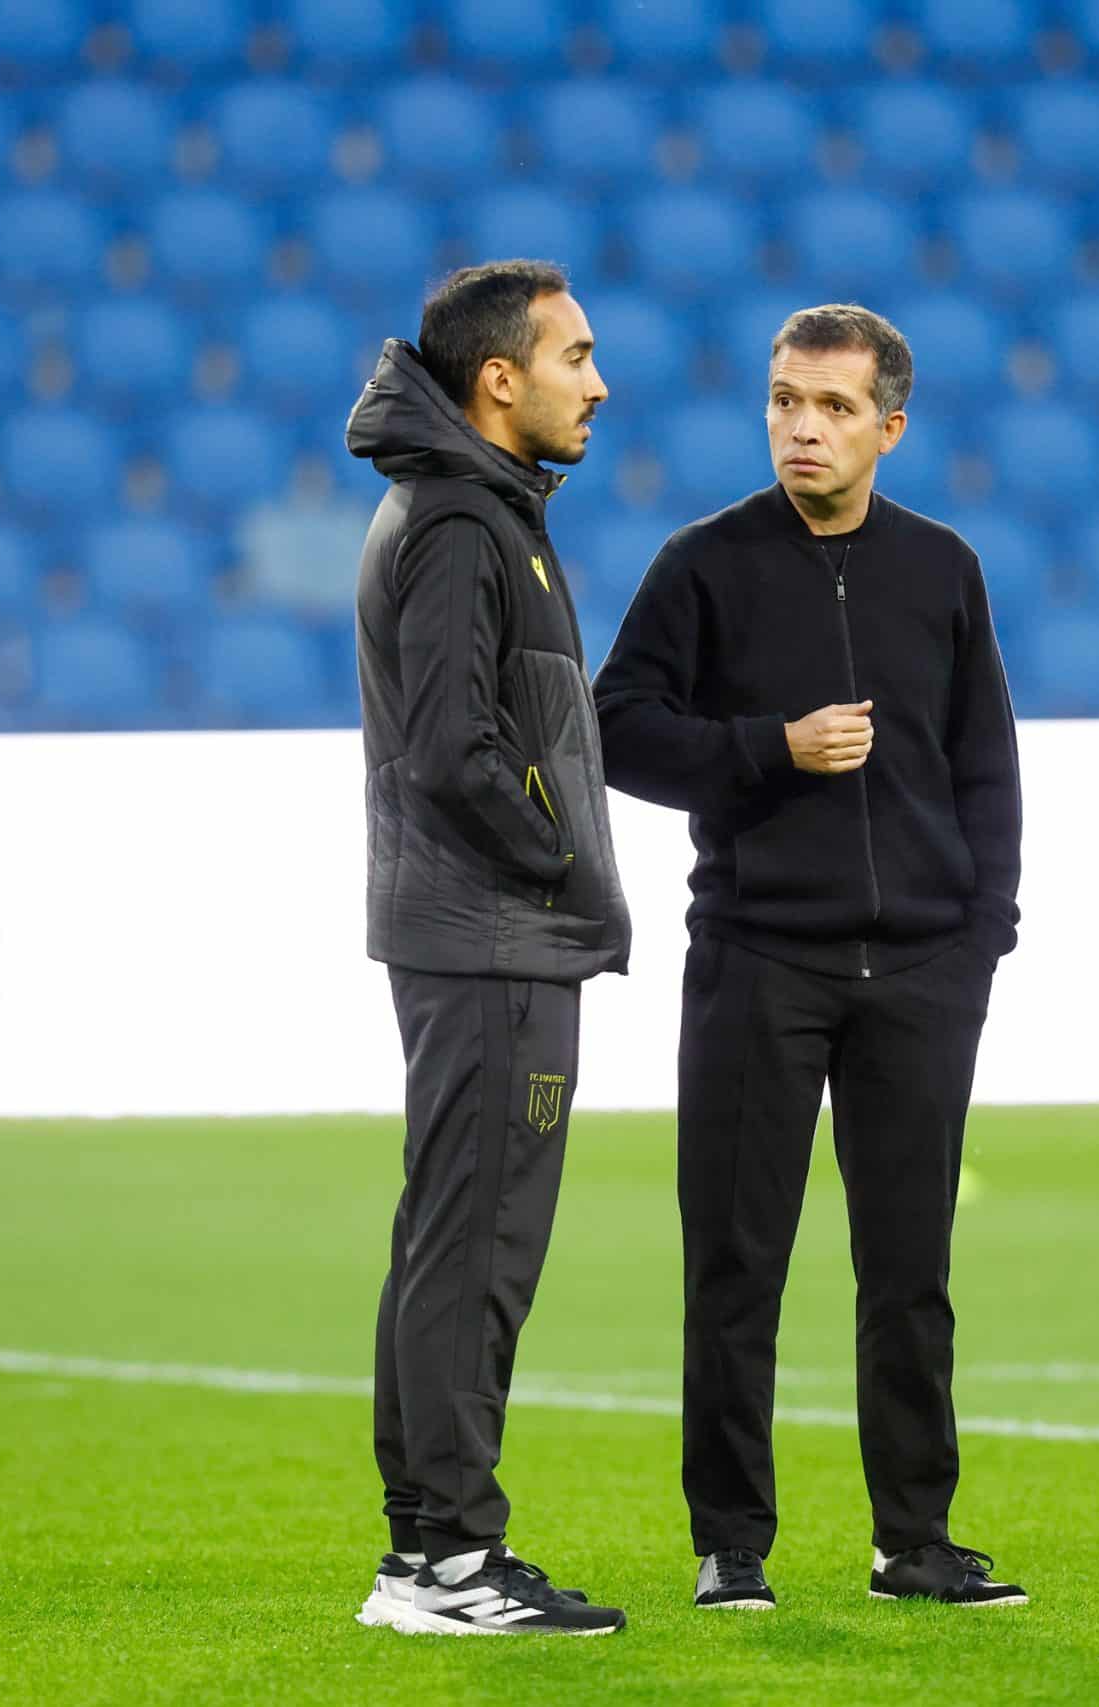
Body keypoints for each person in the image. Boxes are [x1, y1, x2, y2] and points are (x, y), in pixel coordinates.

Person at [594, 304, 1026, 1614]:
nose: (802, 426)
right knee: (734, 1263)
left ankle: (916, 1539)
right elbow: (617, 728)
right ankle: (732, 1542)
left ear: (890, 426)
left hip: (921, 974)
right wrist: (767, 747)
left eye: (834, 407)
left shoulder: (942, 569)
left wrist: (980, 937)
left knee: (911, 1273)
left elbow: (987, 766)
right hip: (757, 961)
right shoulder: (703, 565)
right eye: (787, 399)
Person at [345, 260, 633, 1638]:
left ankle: (424, 1550)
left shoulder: (468, 504)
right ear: (496, 379)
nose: (599, 379)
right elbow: (456, 751)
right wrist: (559, 862)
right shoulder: (465, 517)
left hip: (471, 932)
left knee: (447, 1234)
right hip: (491, 938)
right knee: (480, 1246)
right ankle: (455, 1559)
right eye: (575, 354)